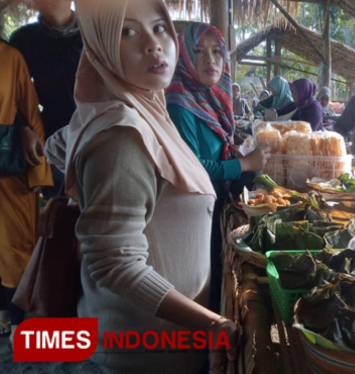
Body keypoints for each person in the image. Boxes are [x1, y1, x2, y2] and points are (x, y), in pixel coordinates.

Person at [45, 1, 239, 372]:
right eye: (127, 32)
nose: (153, 45)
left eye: (160, 28)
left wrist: (89, 177)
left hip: (166, 339)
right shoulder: (121, 135)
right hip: (140, 351)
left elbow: (57, 144)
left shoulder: (138, 109)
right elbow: (114, 262)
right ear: (100, 46)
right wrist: (213, 325)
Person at [165, 23, 269, 315]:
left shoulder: (212, 97)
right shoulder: (180, 101)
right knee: (198, 280)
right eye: (198, 51)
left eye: (216, 52)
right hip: (189, 210)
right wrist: (245, 164)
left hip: (210, 203)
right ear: (183, 55)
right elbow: (191, 166)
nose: (210, 59)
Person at [0, 40, 53, 343]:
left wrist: (38, 171)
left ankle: (20, 324)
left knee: (17, 246)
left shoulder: (10, 58)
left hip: (10, 171)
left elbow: (30, 114)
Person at [10, 0, 83, 198]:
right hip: (52, 138)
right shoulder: (24, 39)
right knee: (61, 211)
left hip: (97, 131)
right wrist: (23, 128)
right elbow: (12, 94)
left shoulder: (94, 34)